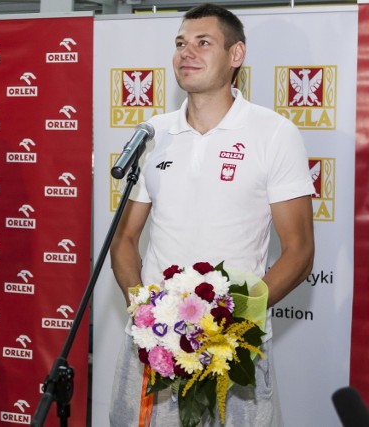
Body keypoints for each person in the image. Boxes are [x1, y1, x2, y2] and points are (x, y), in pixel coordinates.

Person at [109, 3, 314, 426]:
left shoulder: (274, 133)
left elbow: (299, 252)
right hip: (155, 346)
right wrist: (144, 313)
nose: (187, 53)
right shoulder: (154, 133)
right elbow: (125, 238)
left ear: (235, 55)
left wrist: (228, 326)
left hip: (233, 348)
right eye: (181, 43)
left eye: (204, 43)